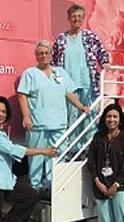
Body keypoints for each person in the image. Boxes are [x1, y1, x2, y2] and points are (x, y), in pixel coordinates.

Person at [17, 40, 90, 193]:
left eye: (46, 53)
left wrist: (81, 107)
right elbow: (22, 96)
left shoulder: (60, 73)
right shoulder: (30, 73)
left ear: (51, 55)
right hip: (37, 125)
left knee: (58, 157)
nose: (43, 56)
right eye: (40, 53)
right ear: (36, 56)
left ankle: (54, 187)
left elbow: (69, 93)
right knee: (36, 159)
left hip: (59, 125)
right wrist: (26, 116)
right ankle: (35, 189)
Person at [53, 4, 110, 154]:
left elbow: (101, 51)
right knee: (70, 117)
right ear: (68, 18)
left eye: (79, 16)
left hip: (86, 82)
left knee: (88, 116)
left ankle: (88, 148)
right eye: (73, 16)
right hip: (67, 83)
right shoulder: (61, 39)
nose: (76, 19)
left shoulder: (90, 37)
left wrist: (104, 61)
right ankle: (70, 149)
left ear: (83, 18)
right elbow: (53, 60)